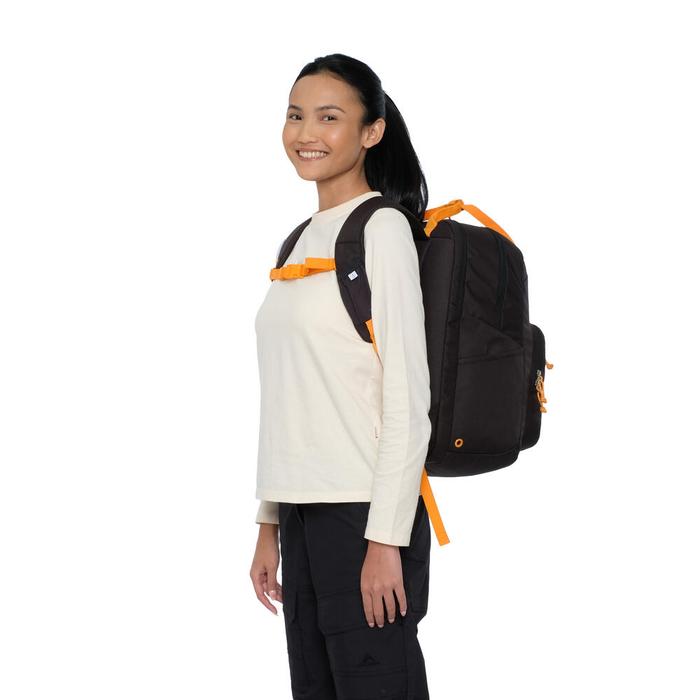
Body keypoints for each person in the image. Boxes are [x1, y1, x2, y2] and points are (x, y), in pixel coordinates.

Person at [249, 53, 433, 699]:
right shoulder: (299, 239)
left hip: (363, 514)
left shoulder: (381, 228)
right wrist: (269, 524)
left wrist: (385, 541)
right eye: (295, 115)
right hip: (302, 515)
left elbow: (408, 396)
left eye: (329, 117)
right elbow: (290, 397)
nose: (306, 133)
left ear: (371, 131)